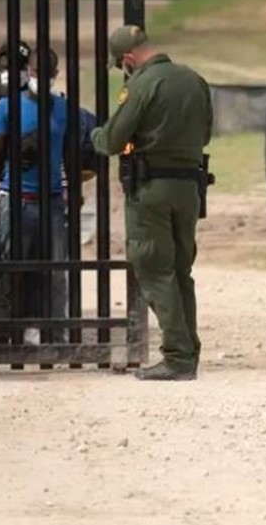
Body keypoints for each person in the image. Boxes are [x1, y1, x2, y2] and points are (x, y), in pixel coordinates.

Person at [91, 25, 212, 381]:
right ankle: (188, 351)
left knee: (154, 269)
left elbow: (113, 140)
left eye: (121, 65)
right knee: (180, 271)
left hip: (151, 188)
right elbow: (205, 133)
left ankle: (176, 357)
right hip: (189, 187)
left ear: (128, 58)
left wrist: (94, 134)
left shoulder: (141, 85)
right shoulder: (194, 80)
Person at [0, 47, 70, 345]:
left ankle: (56, 334)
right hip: (16, 198)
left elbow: (70, 154)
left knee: (57, 270)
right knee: (13, 269)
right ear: (28, 71)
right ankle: (8, 332)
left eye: (46, 74)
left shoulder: (62, 108)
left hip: (51, 201)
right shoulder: (7, 107)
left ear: (55, 75)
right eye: (36, 72)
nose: (40, 78)